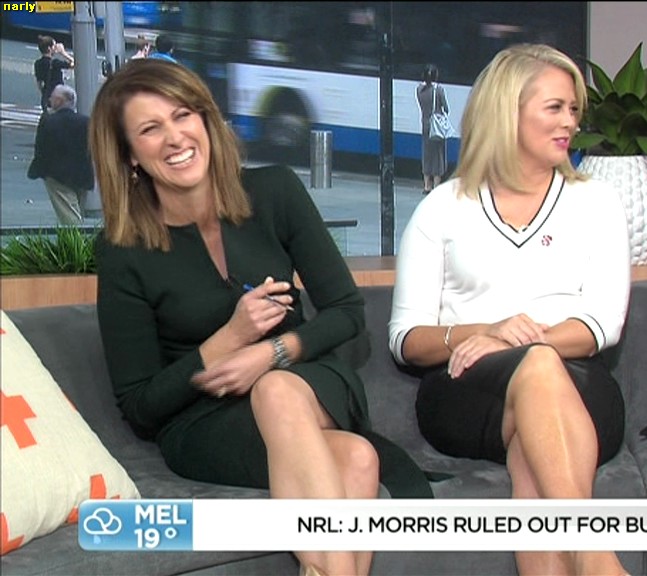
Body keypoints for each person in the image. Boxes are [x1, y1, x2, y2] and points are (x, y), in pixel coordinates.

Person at [89, 59, 429, 576]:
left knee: (276, 389)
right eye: (150, 129)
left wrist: (272, 353)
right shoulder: (121, 250)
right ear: (130, 155)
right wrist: (229, 338)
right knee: (358, 459)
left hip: (307, 379)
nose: (175, 137)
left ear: (206, 120)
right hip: (205, 421)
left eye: (183, 115)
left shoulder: (274, 191)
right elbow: (139, 405)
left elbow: (346, 312)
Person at [389, 44, 631, 576]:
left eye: (574, 109)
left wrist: (516, 340)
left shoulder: (598, 202)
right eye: (555, 107)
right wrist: (486, 332)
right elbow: (406, 339)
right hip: (466, 390)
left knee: (535, 422)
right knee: (537, 373)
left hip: (579, 386)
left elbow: (602, 324)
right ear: (507, 111)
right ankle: (595, 557)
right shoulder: (442, 208)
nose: (570, 122)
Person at [28, 85, 93, 225]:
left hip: (56, 175)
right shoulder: (86, 122)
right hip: (83, 175)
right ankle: (76, 236)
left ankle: (76, 239)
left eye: (52, 98)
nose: (50, 100)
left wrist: (39, 170)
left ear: (59, 101)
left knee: (69, 217)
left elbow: (41, 148)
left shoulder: (48, 121)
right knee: (76, 210)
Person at [416, 64, 448, 194]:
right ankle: (436, 185)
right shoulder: (439, 90)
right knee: (438, 155)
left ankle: (426, 185)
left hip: (425, 125)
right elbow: (446, 108)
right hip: (436, 127)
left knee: (427, 154)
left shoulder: (419, 89)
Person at [33, 35, 74, 112]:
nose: (56, 48)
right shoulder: (55, 63)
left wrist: (44, 93)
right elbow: (74, 64)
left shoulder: (37, 63)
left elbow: (39, 83)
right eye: (54, 46)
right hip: (58, 98)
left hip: (46, 98)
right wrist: (63, 53)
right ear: (49, 48)